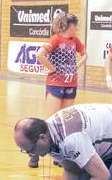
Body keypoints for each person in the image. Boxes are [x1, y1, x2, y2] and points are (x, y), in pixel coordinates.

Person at [29, 12, 87, 168]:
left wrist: (77, 65)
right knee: (52, 120)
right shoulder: (56, 39)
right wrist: (52, 68)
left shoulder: (75, 40)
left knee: (65, 121)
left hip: (70, 84)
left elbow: (84, 54)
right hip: (56, 84)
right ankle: (34, 152)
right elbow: (40, 55)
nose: (77, 29)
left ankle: (59, 154)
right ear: (68, 26)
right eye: (75, 26)